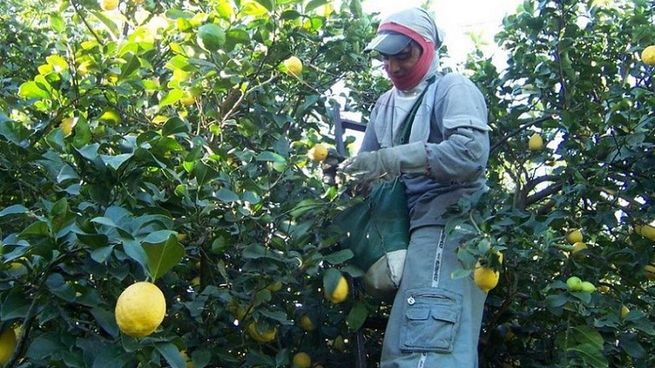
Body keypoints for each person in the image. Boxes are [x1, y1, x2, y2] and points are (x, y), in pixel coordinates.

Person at [339, 7, 491, 368]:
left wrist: (390, 159)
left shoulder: (453, 89)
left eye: (402, 56)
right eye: (385, 59)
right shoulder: (384, 105)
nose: (393, 67)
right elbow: (369, 170)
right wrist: (344, 171)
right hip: (408, 231)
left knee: (425, 344)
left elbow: (469, 155)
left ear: (427, 48)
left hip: (446, 223)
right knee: (416, 335)